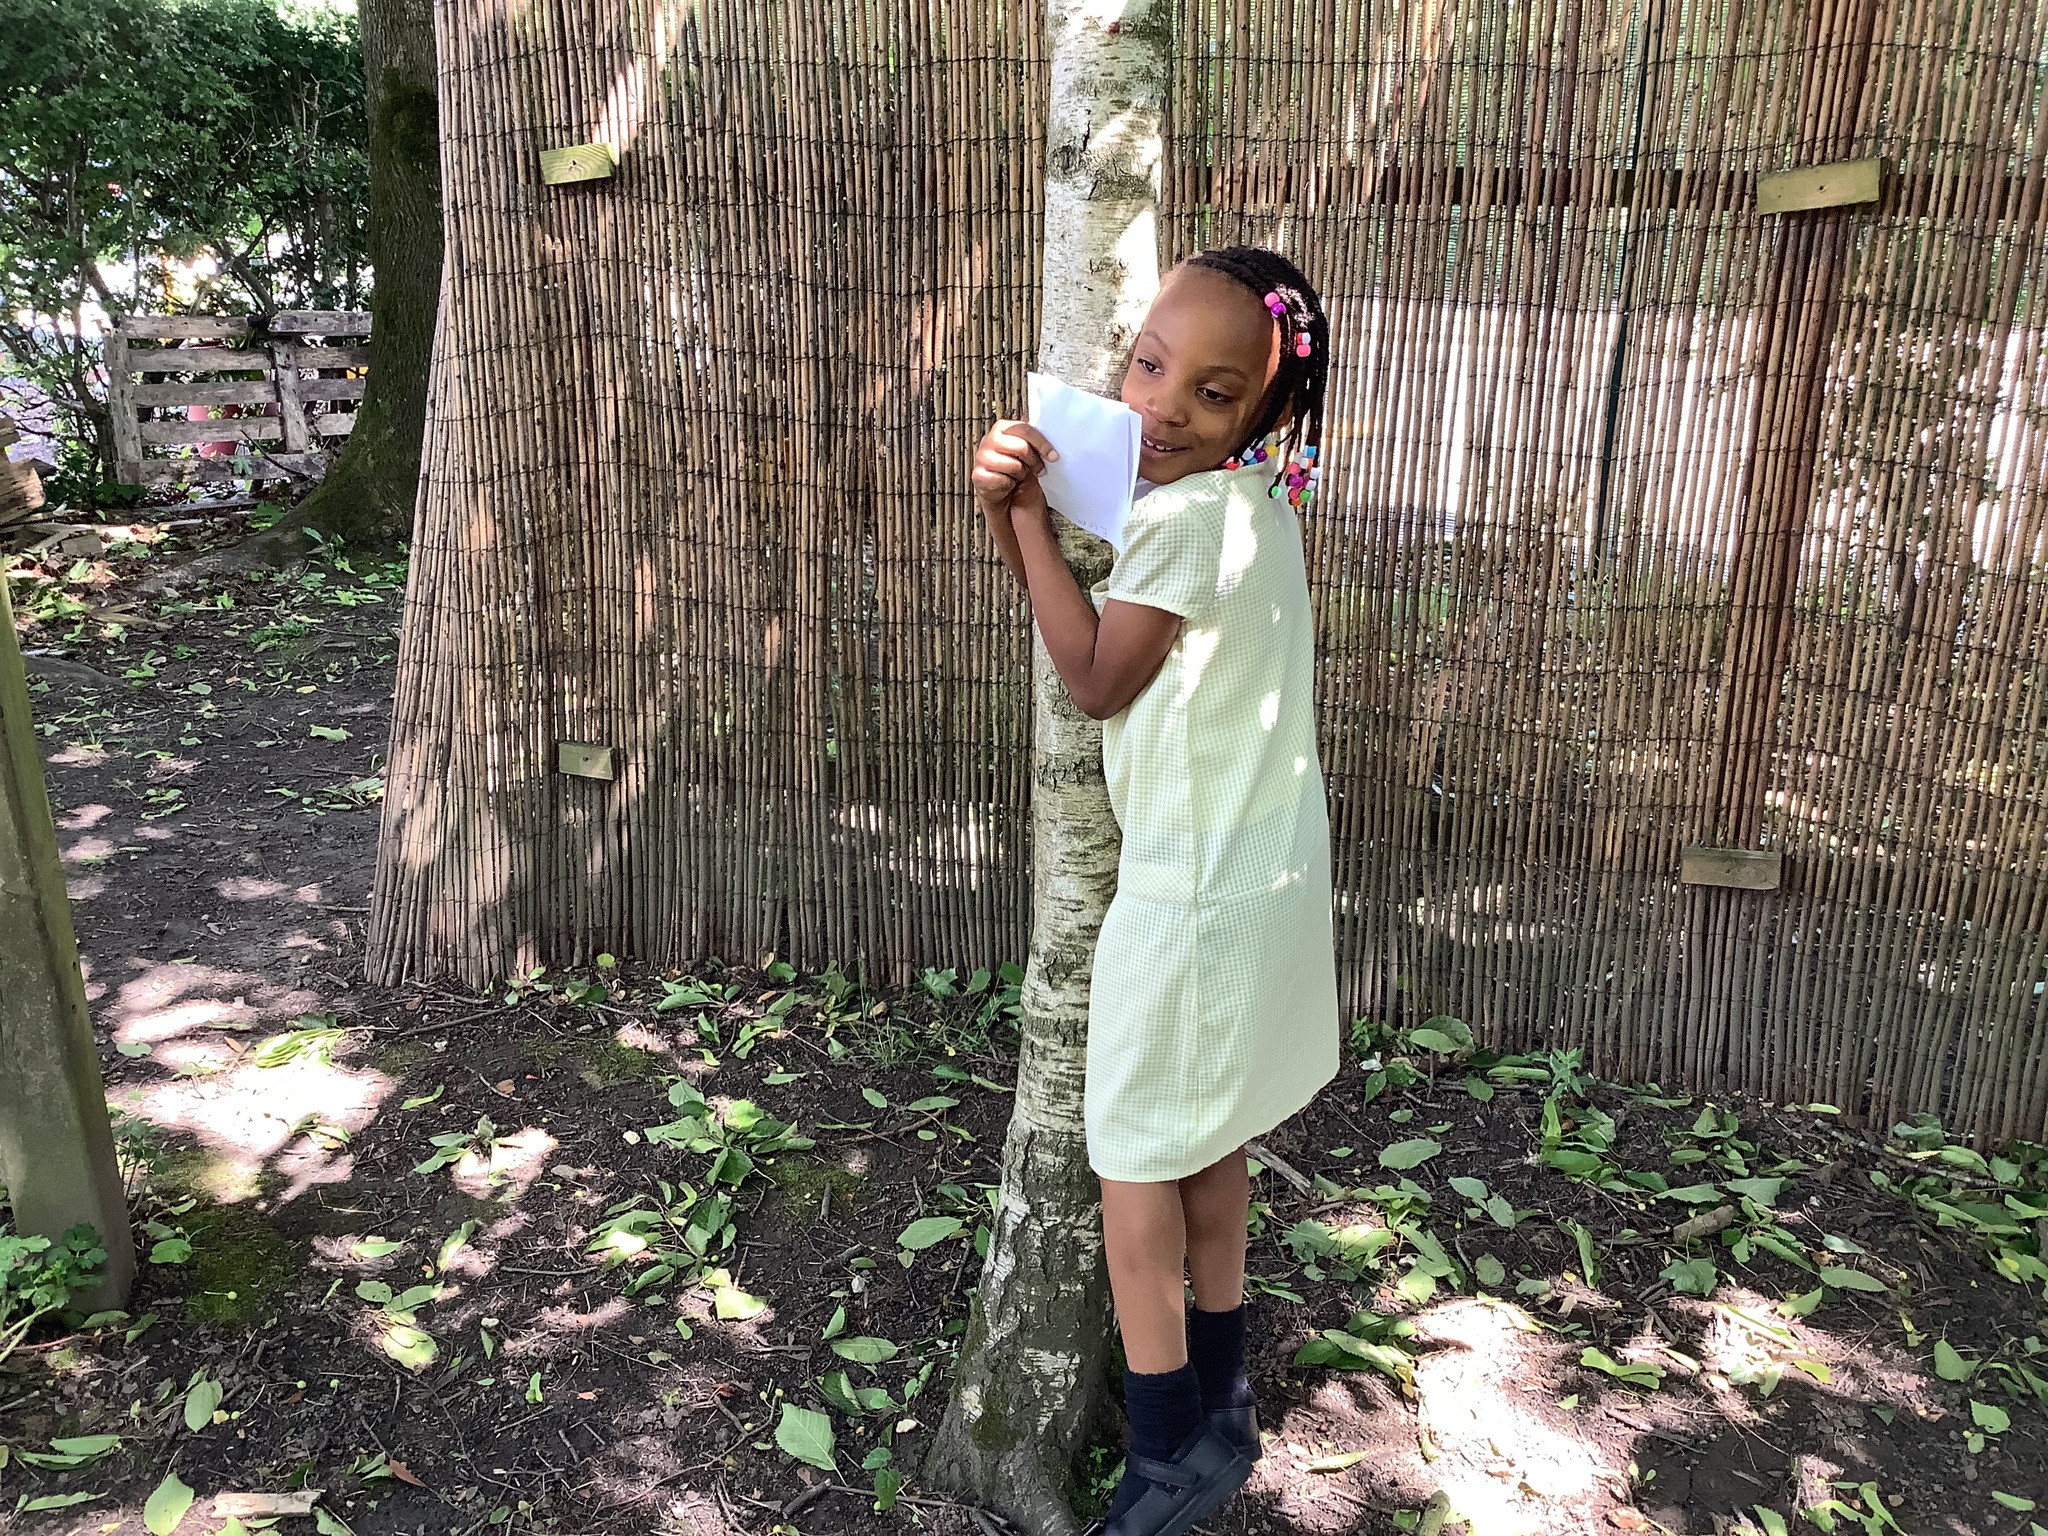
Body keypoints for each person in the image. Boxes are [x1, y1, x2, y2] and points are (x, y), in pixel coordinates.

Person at [970, 248, 1341, 1536]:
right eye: (1149, 366)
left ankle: (1166, 1451)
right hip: (1265, 888)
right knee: (1210, 1150)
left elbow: (1093, 677)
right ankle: (1226, 1401)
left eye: (1214, 393)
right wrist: (1046, 514)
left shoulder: (1181, 525)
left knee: (1132, 1174)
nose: (1164, 407)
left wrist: (1023, 519)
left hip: (1186, 902)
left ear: (1266, 412)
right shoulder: (1259, 512)